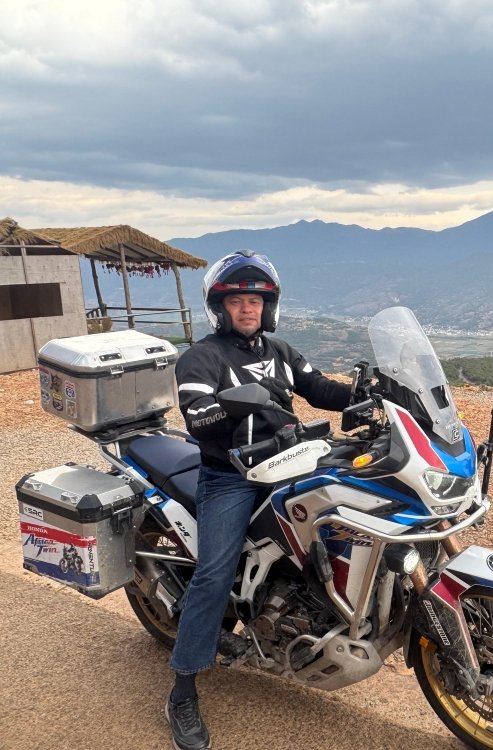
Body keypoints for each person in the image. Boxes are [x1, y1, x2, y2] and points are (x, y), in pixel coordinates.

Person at [166, 249, 351, 750]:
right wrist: (233, 404)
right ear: (220, 308)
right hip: (232, 476)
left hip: (293, 461)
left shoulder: (281, 350)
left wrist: (371, 392)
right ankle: (183, 687)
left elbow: (319, 388)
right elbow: (197, 416)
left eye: (255, 300)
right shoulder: (202, 357)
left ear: (268, 307)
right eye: (236, 301)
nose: (247, 308)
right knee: (213, 574)